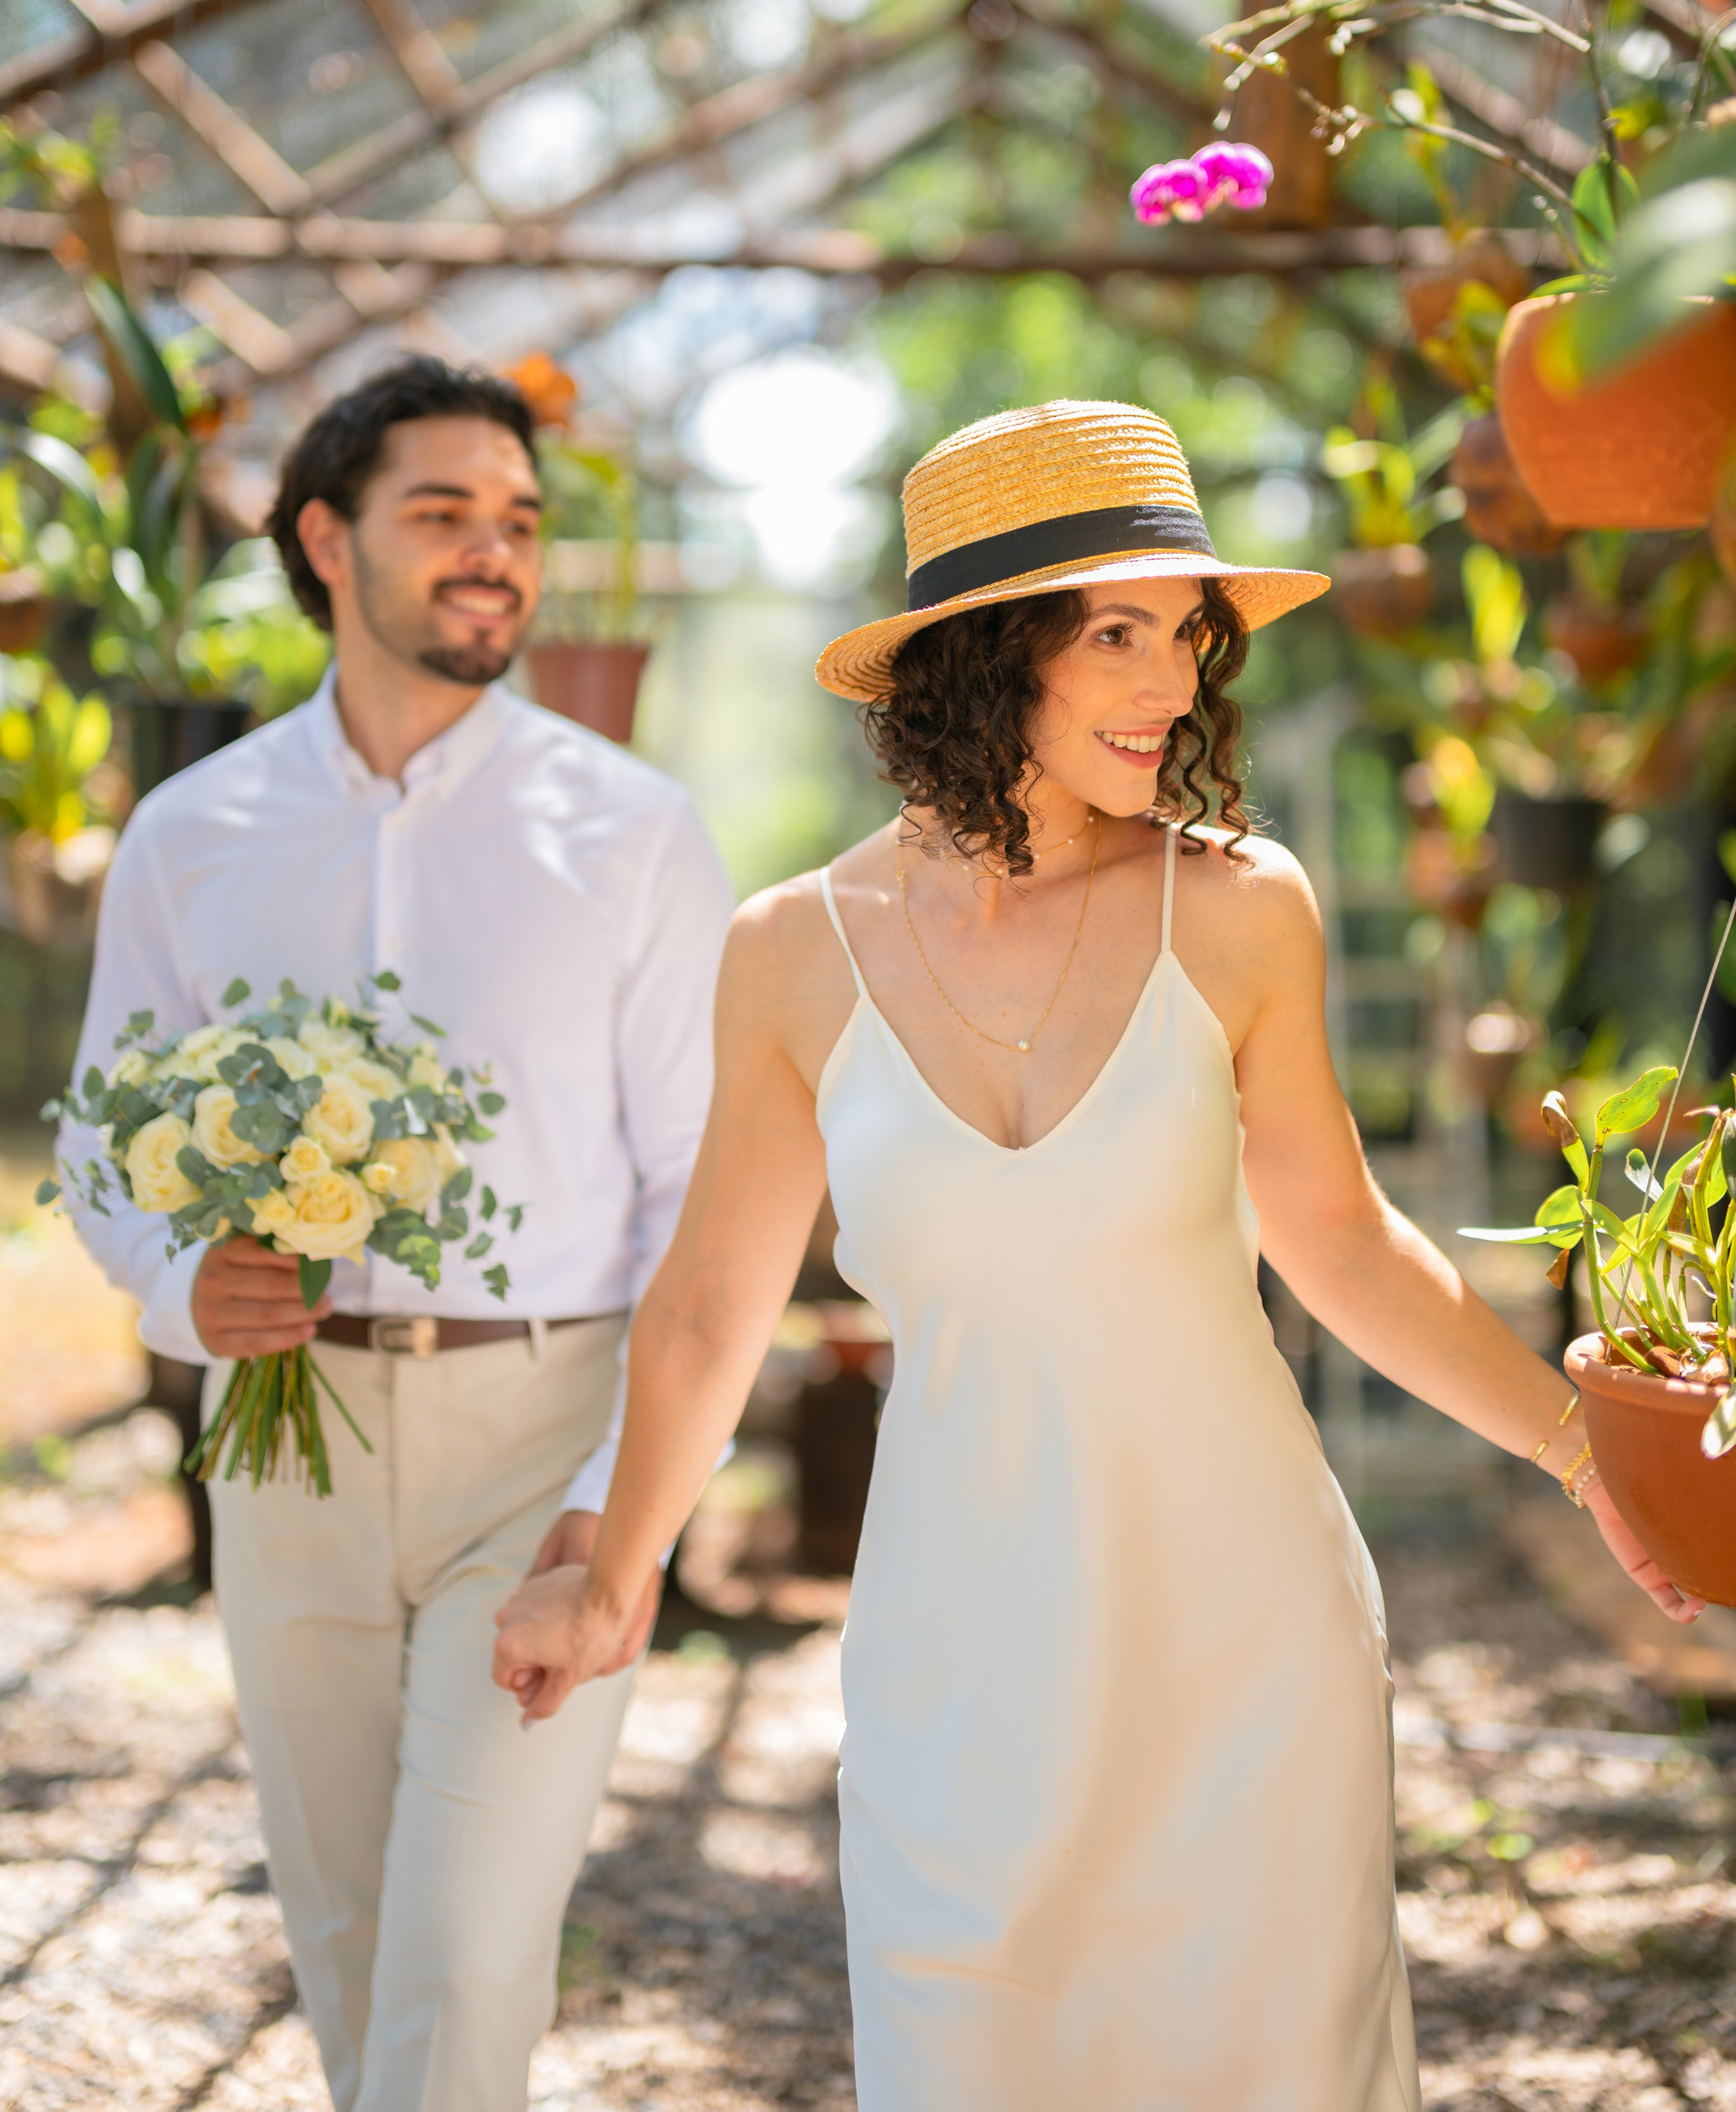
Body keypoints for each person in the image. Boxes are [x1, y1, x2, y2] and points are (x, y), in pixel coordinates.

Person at [491, 397, 1701, 2112]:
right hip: (953, 1651)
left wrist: (1586, 1451)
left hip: (1244, 1629)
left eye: (1188, 634)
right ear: (985, 658)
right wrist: (614, 1579)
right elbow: (705, 1308)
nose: (1173, 683)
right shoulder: (792, 953)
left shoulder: (1238, 906)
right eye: (1117, 632)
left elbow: (1342, 1245)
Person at [65, 357, 732, 2112]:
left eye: (518, 522)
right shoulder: (189, 836)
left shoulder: (639, 836)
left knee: (466, 1954)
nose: (494, 554)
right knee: (353, 1945)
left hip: (543, 1450)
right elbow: (98, 1134)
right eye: (443, 514)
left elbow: (700, 1191)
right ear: (324, 540)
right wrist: (176, 1285)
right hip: (284, 1451)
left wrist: (623, 1497)